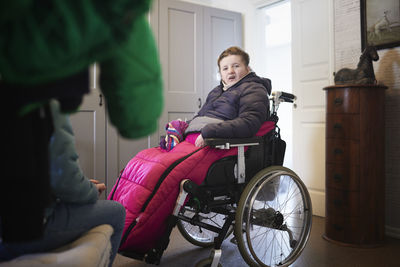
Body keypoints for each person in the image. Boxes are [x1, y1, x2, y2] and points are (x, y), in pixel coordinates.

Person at [0, 100, 126, 267]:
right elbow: (67, 183)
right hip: (22, 231)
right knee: (116, 212)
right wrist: (92, 190)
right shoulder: (48, 104)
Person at [184, 46, 271, 147]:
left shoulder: (254, 89)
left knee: (173, 163)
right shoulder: (215, 91)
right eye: (225, 68)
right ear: (220, 73)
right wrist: (182, 127)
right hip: (193, 138)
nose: (230, 71)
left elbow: (249, 123)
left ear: (248, 69)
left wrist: (209, 132)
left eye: (236, 66)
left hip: (216, 143)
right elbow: (201, 116)